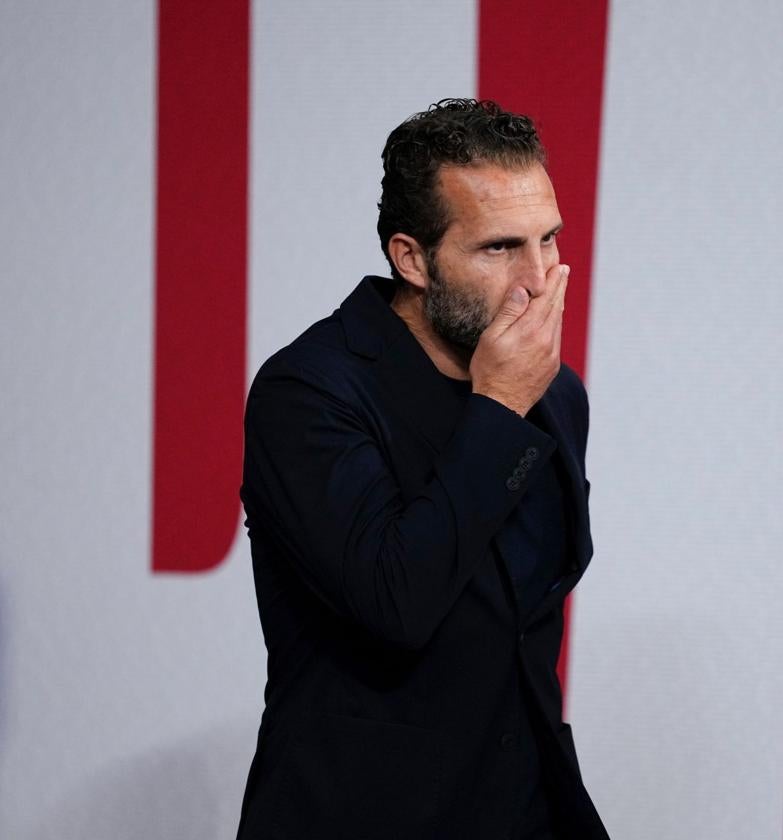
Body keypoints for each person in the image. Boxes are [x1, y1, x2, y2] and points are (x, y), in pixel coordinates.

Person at [235, 99, 608, 840]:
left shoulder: (557, 394)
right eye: (500, 249)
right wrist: (499, 406)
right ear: (411, 257)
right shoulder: (308, 393)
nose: (538, 280)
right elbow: (396, 602)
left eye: (549, 240)